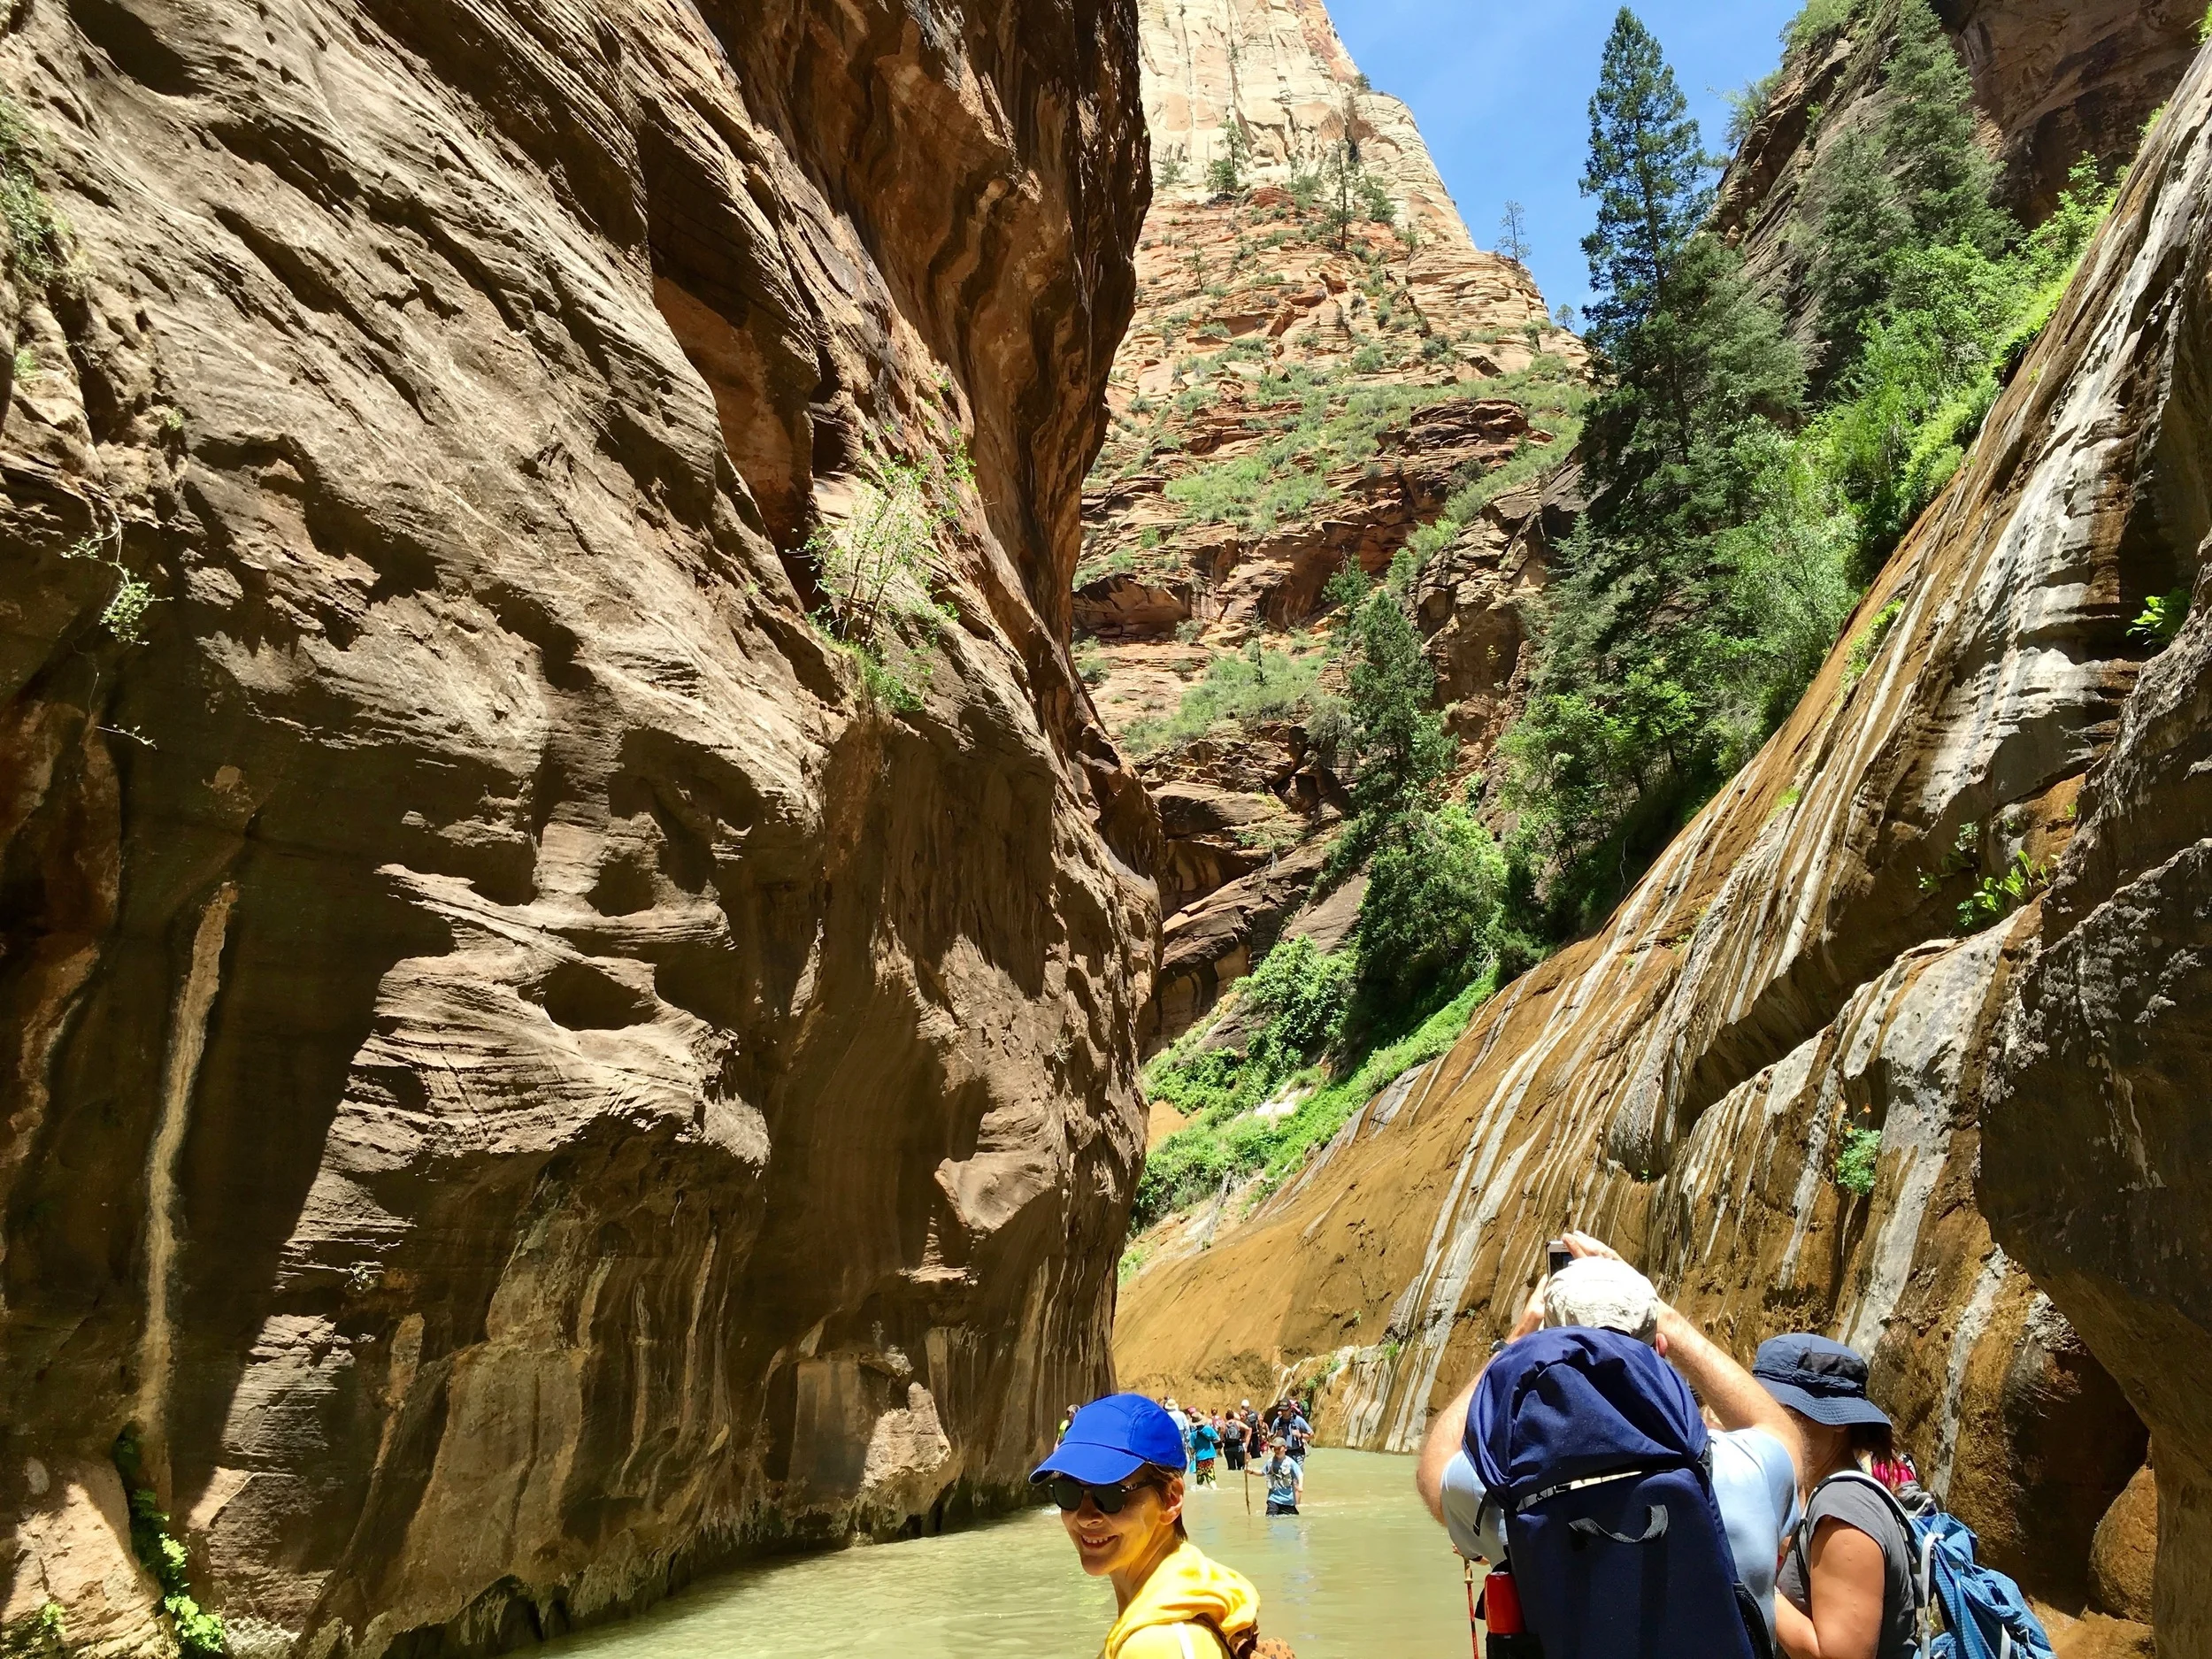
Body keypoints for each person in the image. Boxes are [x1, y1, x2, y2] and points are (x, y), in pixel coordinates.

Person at [1414, 1232, 1804, 1642]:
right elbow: (1783, 1435)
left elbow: (1434, 1469)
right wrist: (1662, 1314)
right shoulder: (1747, 1471)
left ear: (1545, 1352)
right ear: (1661, 1347)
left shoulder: (1506, 1491)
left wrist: (1519, 1338)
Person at [1033, 1394, 1262, 1657]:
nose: (1085, 1516)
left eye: (1110, 1495)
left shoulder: (1157, 1645)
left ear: (1171, 1499)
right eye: (1067, 1492)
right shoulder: (1195, 1590)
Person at [1756, 1334, 1919, 1659]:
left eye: (1784, 1409)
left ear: (1838, 1422)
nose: (1766, 1421)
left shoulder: (1843, 1505)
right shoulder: (1821, 1496)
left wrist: (1747, 1577)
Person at [1263, 1435, 1302, 1516]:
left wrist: (1300, 1486)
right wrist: (1250, 1471)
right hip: (1273, 1499)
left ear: (1285, 1448)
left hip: (1287, 1500)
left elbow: (1300, 1474)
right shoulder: (1270, 1462)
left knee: (1294, 1519)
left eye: (1279, 1448)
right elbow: (1262, 1472)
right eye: (1275, 1448)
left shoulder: (1290, 1463)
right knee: (1270, 1519)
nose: (1276, 1451)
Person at [1191, 1412, 1221, 1486]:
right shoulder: (1208, 1428)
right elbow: (1218, 1439)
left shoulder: (1193, 1434)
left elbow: (1193, 1448)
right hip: (1209, 1457)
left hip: (1200, 1458)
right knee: (1211, 1478)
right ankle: (1215, 1491)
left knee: (1200, 1482)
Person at [1163, 1397, 1192, 1473]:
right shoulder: (1181, 1414)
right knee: (1184, 1456)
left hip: (1169, 1440)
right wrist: (1188, 1439)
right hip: (1181, 1438)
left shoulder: (1166, 1415)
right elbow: (1187, 1428)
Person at [1222, 1408, 1249, 1473]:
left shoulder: (1224, 1425)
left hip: (1228, 1448)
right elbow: (1247, 1429)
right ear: (1233, 1416)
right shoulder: (1238, 1423)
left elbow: (1222, 1436)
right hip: (1238, 1447)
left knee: (1231, 1468)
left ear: (1226, 1417)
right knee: (1241, 1467)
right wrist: (1245, 1438)